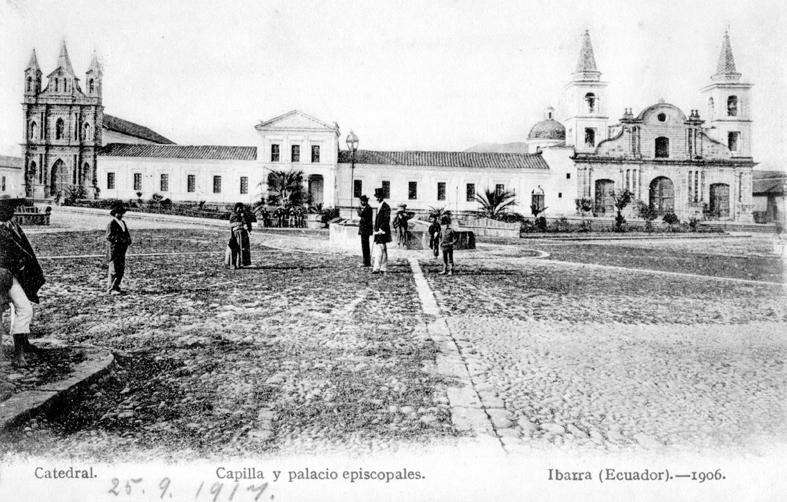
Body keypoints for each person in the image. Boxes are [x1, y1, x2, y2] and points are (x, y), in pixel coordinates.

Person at [0, 195, 45, 366]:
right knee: (23, 309)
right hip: (4, 275)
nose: (11, 211)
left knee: (21, 308)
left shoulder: (12, 226)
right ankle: (18, 355)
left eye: (12, 208)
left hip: (12, 275)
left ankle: (22, 346)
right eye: (6, 208)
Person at [106, 202, 132, 294]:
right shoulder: (112, 223)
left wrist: (128, 240)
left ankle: (116, 286)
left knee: (121, 268)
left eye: (121, 213)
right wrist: (120, 240)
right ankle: (111, 288)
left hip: (122, 249)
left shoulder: (122, 223)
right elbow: (109, 236)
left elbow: (126, 233)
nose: (120, 215)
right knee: (114, 269)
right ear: (114, 213)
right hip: (114, 250)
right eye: (118, 213)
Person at [226, 202, 253, 269]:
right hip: (236, 234)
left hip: (244, 234)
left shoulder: (244, 215)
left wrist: (248, 227)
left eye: (241, 208)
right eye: (239, 208)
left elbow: (248, 222)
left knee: (242, 249)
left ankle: (241, 263)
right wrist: (241, 224)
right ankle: (233, 264)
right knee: (235, 248)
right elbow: (232, 224)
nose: (240, 209)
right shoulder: (233, 215)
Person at [372, 188, 391, 274]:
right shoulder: (379, 206)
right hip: (379, 231)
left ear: (382, 197)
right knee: (382, 249)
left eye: (379, 197)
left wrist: (381, 229)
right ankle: (383, 268)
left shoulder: (386, 207)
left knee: (380, 249)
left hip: (382, 231)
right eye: (377, 197)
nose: (377, 198)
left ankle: (377, 268)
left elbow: (386, 219)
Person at [356, 195, 373, 267]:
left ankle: (366, 262)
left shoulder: (368, 208)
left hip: (365, 230)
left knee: (365, 246)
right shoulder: (367, 208)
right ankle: (366, 261)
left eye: (361, 201)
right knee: (365, 246)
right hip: (365, 230)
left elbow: (361, 214)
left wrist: (358, 208)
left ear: (365, 201)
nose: (361, 202)